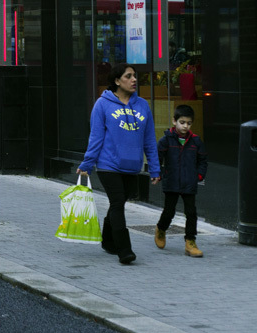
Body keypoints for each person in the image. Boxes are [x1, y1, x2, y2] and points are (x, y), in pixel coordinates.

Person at [76, 63, 161, 265]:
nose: (134, 80)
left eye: (135, 76)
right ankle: (125, 250)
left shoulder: (142, 106)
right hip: (108, 164)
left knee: (120, 202)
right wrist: (88, 163)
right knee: (117, 203)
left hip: (132, 165)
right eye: (128, 76)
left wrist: (155, 168)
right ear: (116, 81)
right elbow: (96, 138)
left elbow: (149, 140)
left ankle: (107, 241)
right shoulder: (102, 105)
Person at [156, 104, 208, 257]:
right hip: (171, 182)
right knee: (169, 211)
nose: (185, 126)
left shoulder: (196, 142)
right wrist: (157, 173)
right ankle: (160, 229)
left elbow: (203, 160)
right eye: (182, 122)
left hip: (189, 182)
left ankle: (190, 242)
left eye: (189, 123)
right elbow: (156, 158)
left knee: (191, 213)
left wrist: (199, 176)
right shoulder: (166, 140)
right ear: (174, 121)